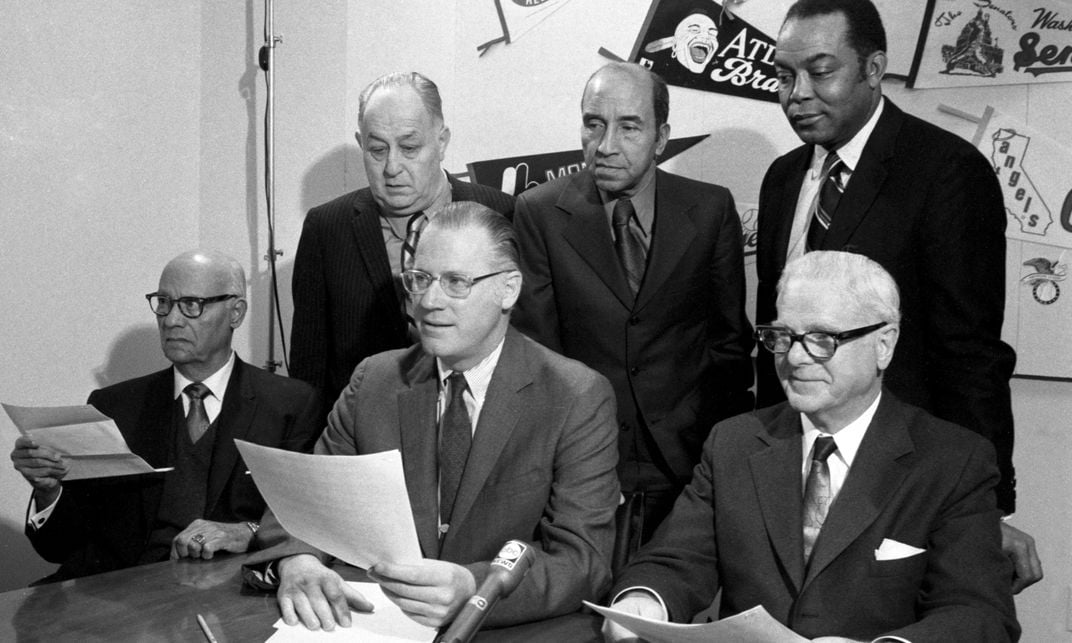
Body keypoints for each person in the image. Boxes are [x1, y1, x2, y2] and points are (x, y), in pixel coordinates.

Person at [755, 0, 1040, 591]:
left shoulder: (946, 171)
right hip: (792, 471)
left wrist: (989, 504)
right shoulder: (783, 177)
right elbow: (773, 334)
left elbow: (971, 352)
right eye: (784, 76)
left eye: (820, 70)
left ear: (874, 67)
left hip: (905, 479)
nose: (796, 93)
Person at [604, 251, 1020, 642]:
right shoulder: (735, 442)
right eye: (783, 336)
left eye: (822, 338)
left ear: (884, 344)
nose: (796, 358)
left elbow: (979, 614)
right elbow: (676, 561)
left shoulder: (953, 461)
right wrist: (643, 601)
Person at [249, 202, 619, 632]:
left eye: (456, 282)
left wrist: (473, 587)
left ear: (509, 289)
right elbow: (307, 505)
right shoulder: (375, 380)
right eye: (420, 279)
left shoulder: (575, 395)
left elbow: (584, 563)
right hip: (377, 624)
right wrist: (298, 561)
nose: (428, 301)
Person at [512, 62, 753, 550]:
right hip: (583, 466)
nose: (605, 145)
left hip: (686, 464)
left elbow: (729, 343)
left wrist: (715, 453)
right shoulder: (538, 213)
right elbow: (537, 355)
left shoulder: (710, 209)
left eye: (629, 126)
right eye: (593, 123)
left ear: (661, 137)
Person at [11, 250, 321, 582]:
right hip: (117, 594)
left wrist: (248, 530)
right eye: (163, 303)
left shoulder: (291, 404)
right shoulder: (114, 406)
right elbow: (58, 547)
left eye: (191, 305)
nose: (171, 320)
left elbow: (309, 522)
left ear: (236, 312)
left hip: (223, 592)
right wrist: (48, 490)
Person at [289, 71, 515, 417]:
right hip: (366, 440)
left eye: (409, 147)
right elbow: (310, 373)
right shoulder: (327, 229)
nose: (392, 167)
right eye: (377, 149)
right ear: (360, 143)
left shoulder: (502, 213)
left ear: (442, 141)